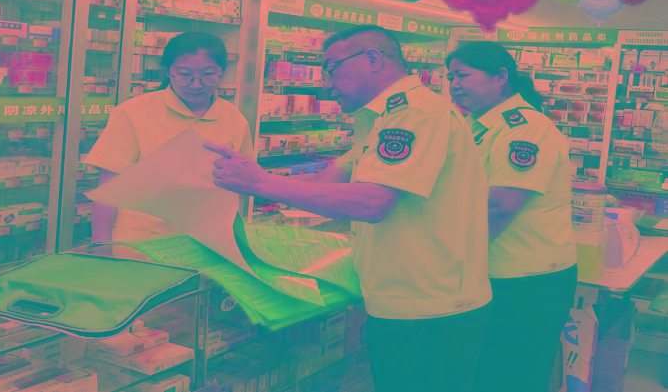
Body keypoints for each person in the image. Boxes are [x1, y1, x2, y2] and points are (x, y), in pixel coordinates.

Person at [208, 25, 492, 392]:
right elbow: (329, 181)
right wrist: (249, 178)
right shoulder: (383, 116)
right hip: (408, 299)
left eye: (331, 68)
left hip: (431, 308)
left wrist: (260, 183)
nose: (327, 84)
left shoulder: (415, 113)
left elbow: (373, 202)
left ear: (372, 59)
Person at [446, 41, 577, 392]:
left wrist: (449, 256)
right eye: (450, 77)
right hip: (496, 272)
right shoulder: (478, 125)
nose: (454, 84)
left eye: (462, 75)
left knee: (514, 376)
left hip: (528, 282)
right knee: (488, 372)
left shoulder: (526, 128)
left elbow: (500, 206)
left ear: (500, 76)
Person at [86, 32, 253, 242]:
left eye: (209, 75)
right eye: (184, 75)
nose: (196, 84)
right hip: (142, 241)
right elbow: (108, 190)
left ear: (222, 72)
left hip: (210, 241)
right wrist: (100, 245)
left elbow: (243, 182)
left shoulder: (234, 118)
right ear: (168, 71)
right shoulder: (133, 112)